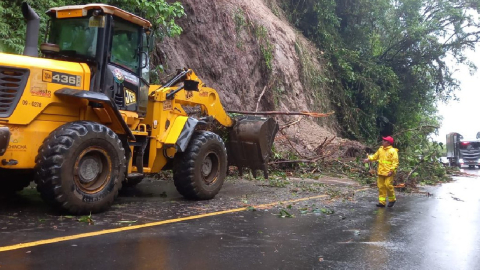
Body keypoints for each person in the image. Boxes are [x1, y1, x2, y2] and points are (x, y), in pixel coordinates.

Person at [364, 136, 399, 207]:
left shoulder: (393, 151)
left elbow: (395, 162)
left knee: (388, 185)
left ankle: (392, 200)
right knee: (381, 187)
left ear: (388, 143)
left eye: (384, 140)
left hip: (389, 172)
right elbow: (375, 156)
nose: (382, 141)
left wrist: (392, 170)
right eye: (383, 140)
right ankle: (382, 202)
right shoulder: (380, 149)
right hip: (381, 171)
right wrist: (368, 159)